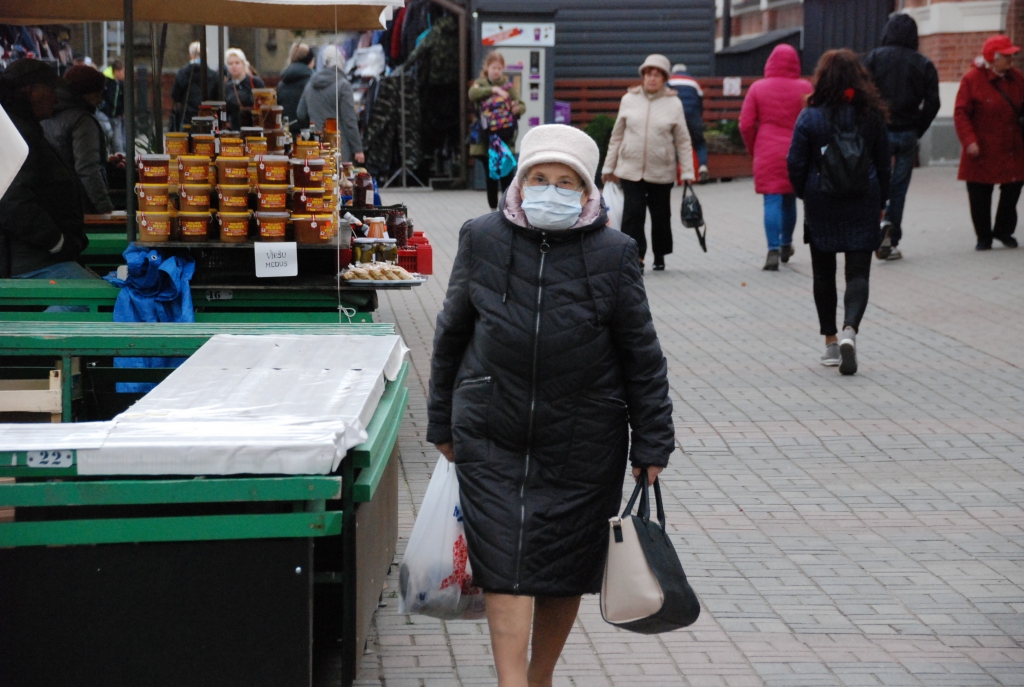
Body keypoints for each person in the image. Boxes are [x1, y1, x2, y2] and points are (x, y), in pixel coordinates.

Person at [427, 124, 674, 687]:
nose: (551, 191)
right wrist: (442, 418)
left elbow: (642, 356)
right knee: (505, 566)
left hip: (584, 442)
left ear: (587, 192)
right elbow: (451, 334)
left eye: (567, 182)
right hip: (492, 432)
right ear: (520, 181)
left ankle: (539, 677)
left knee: (565, 569)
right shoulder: (482, 237)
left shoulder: (616, 253)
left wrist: (652, 441)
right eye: (540, 178)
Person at [787, 49, 891, 376]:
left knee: (823, 273)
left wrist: (806, 192)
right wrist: (882, 200)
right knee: (858, 273)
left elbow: (795, 162)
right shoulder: (872, 116)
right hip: (863, 198)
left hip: (822, 200)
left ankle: (831, 342)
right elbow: (883, 162)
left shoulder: (810, 117)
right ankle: (850, 330)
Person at [602, 54, 695, 272]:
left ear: (664, 78)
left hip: (661, 168)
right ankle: (636, 256)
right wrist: (608, 166)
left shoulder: (673, 103)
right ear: (643, 76)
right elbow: (617, 135)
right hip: (630, 167)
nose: (652, 78)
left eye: (657, 75)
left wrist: (688, 171)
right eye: (648, 74)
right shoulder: (628, 99)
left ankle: (660, 253)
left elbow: (683, 140)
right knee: (633, 214)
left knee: (660, 215)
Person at [0, 59, 90, 280]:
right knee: (100, 299)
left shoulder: (21, 129)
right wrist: (58, 242)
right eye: (51, 89)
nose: (56, 98)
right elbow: (12, 201)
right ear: (31, 91)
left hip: (36, 259)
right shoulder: (16, 134)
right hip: (31, 263)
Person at [864, 14, 941, 261]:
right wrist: (918, 127)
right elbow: (933, 103)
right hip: (907, 131)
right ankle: (891, 235)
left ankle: (875, 225)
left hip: (880, 130)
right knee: (899, 186)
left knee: (875, 180)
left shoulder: (874, 58)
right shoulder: (923, 63)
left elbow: (864, 94)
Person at [739, 44, 813, 271]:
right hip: (797, 150)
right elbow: (814, 120)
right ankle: (786, 244)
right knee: (790, 199)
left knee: (771, 200)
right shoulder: (805, 87)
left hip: (767, 150)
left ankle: (772, 249)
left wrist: (753, 148)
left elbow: (746, 124)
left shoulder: (758, 88)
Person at [954, 34, 1024, 250]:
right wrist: (969, 141)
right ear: (992, 57)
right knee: (979, 192)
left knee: (1013, 186)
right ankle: (983, 236)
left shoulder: (1017, 78)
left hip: (1012, 145)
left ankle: (1004, 230)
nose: (1011, 60)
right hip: (981, 146)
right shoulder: (972, 79)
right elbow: (961, 113)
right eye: (1006, 56)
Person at [42, 65, 114, 215]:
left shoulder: (47, 114)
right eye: (98, 93)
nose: (100, 100)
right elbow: (87, 168)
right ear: (87, 93)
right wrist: (105, 208)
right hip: (79, 204)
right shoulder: (82, 121)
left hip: (52, 203)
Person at [469, 51, 525, 210]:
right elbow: (472, 94)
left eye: (499, 68)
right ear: (487, 67)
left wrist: (517, 108)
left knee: (507, 177)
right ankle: (493, 210)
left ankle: (508, 210)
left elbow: (521, 105)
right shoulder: (480, 84)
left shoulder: (508, 86)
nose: (496, 71)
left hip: (505, 140)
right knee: (491, 178)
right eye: (494, 68)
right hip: (486, 141)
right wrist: (494, 90)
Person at [297, 45, 365, 164]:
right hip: (339, 149)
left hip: (316, 147)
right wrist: (358, 149)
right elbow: (349, 120)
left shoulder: (310, 84)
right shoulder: (343, 85)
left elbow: (301, 114)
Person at [668, 63, 709, 182]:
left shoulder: (670, 80)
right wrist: (698, 117)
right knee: (699, 143)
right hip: (693, 116)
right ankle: (702, 167)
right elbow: (700, 102)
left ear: (673, 71)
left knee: (673, 143)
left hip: (675, 115)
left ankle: (675, 173)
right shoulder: (694, 82)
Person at [171, 41, 219, 130]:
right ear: (206, 56)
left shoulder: (182, 73)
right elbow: (217, 96)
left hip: (186, 116)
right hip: (207, 115)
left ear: (191, 55)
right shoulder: (213, 75)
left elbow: (175, 94)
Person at [277, 43, 316, 136]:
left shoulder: (282, 83)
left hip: (286, 133)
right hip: (307, 135)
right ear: (310, 61)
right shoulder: (312, 83)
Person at [223, 48, 264, 131]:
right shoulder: (226, 85)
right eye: (230, 63)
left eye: (237, 63)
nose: (234, 66)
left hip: (253, 128)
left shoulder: (255, 82)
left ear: (243, 64)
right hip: (234, 129)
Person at [100, 59, 125, 153]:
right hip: (105, 115)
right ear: (117, 71)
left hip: (116, 116)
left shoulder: (121, 84)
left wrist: (122, 111)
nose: (124, 74)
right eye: (123, 71)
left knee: (117, 142)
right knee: (108, 135)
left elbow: (123, 98)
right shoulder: (107, 82)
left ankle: (120, 157)